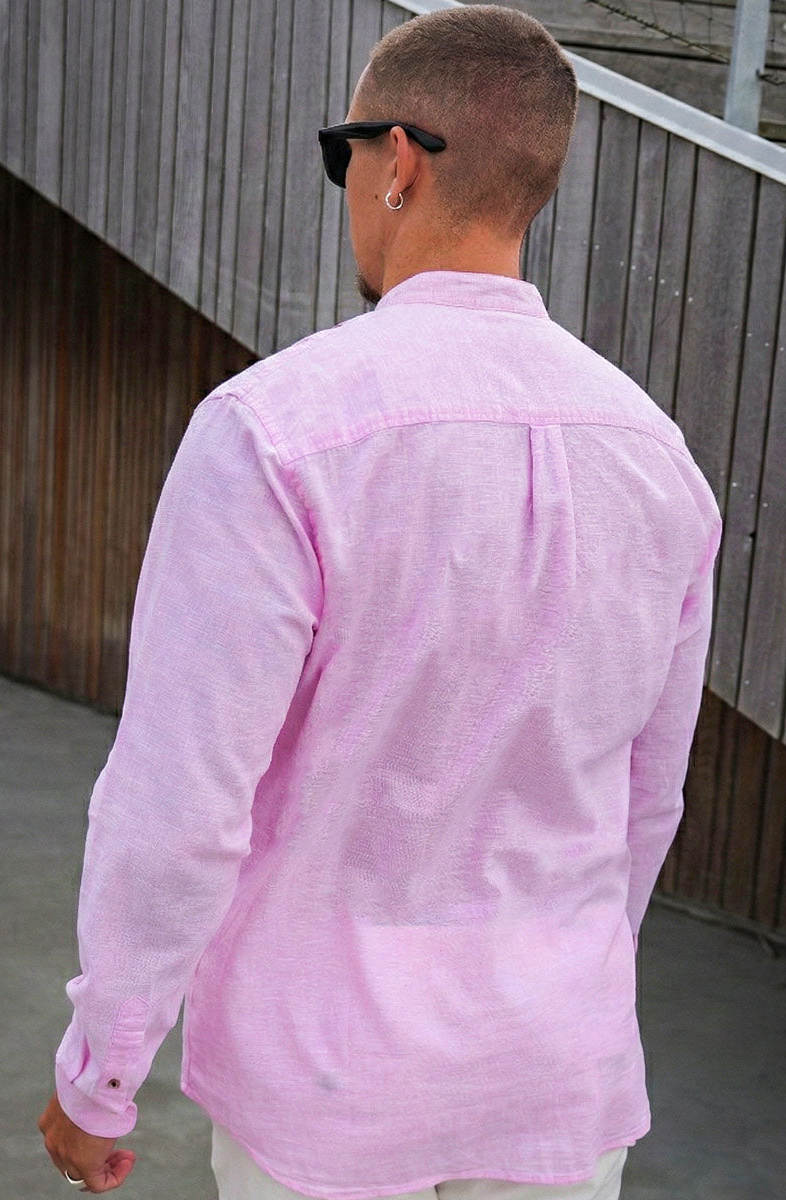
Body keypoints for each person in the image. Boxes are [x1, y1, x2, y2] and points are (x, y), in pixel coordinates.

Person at [38, 5, 722, 1199]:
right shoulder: (658, 459)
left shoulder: (273, 434)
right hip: (555, 1079)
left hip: (326, 1091)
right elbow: (642, 799)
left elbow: (180, 803)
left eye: (340, 152)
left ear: (396, 159)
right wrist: (566, 990)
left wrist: (103, 1072)